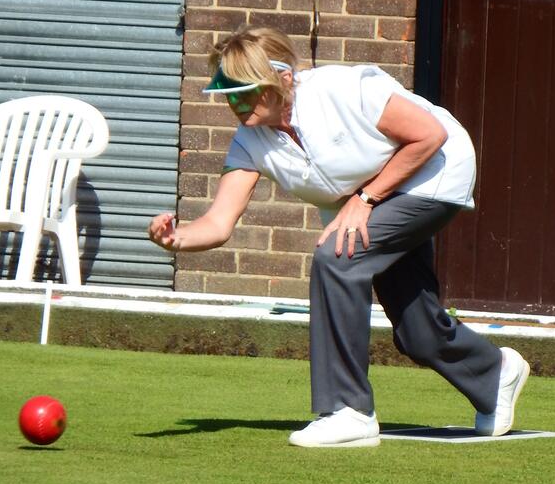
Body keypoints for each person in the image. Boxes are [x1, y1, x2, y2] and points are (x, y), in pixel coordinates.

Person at [148, 25, 529, 448]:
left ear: (283, 79)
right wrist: (176, 238)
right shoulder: (249, 141)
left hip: (436, 173)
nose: (235, 103)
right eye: (228, 93)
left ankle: (348, 410)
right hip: (374, 197)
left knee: (336, 256)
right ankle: (492, 372)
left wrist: (365, 198)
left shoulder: (341, 89)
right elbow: (219, 224)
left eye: (245, 90)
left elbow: (429, 136)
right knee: (417, 330)